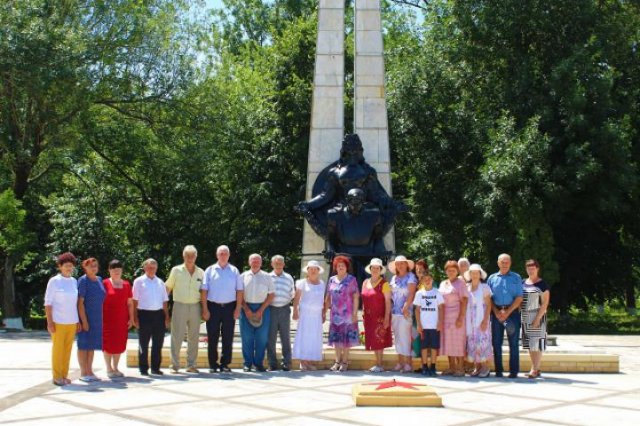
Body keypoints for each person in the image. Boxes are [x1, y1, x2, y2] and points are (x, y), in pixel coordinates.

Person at [201, 245, 243, 373]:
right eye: (221, 253)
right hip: (213, 307)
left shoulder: (234, 271)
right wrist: (205, 309)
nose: (223, 255)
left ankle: (225, 364)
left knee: (228, 337)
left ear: (229, 255)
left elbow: (240, 291)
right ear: (217, 255)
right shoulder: (209, 270)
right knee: (212, 337)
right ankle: (213, 364)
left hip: (230, 307)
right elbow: (204, 291)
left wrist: (237, 308)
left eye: (225, 253)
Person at [166, 245, 204, 374]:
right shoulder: (176, 270)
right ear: (183, 256)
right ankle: (174, 365)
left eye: (192, 255)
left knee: (194, 337)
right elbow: (168, 288)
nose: (190, 258)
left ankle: (191, 365)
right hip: (179, 305)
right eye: (187, 255)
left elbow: (204, 292)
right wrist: (164, 308)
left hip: (195, 306)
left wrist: (204, 308)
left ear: (196, 257)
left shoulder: (201, 272)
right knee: (177, 336)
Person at [45, 252, 81, 386]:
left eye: (71, 266)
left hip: (71, 321)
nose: (69, 268)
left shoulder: (74, 281)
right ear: (60, 266)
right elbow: (48, 303)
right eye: (66, 266)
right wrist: (50, 322)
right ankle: (56, 376)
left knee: (67, 350)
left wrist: (77, 320)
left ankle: (64, 375)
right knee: (58, 350)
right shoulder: (54, 281)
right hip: (58, 322)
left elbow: (75, 303)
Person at [487, 253, 523, 378]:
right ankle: (498, 371)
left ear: (510, 263)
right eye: (502, 262)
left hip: (512, 313)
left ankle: (513, 371)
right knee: (496, 343)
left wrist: (507, 312)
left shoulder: (516, 277)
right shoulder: (491, 278)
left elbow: (519, 297)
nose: (504, 264)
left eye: (507, 262)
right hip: (496, 314)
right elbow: (488, 298)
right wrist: (496, 312)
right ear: (498, 263)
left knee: (513, 343)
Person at [133, 258, 169, 376]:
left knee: (158, 343)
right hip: (144, 315)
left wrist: (166, 317)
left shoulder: (160, 282)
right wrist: (135, 317)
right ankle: (143, 368)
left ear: (156, 268)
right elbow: (134, 301)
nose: (151, 269)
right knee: (143, 343)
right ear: (144, 268)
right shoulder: (139, 281)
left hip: (158, 315)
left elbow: (164, 301)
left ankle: (155, 368)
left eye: (153, 267)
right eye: (149, 267)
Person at [240, 254, 275, 372]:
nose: (255, 263)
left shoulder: (267, 276)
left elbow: (271, 295)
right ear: (249, 262)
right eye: (253, 261)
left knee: (262, 338)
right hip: (246, 307)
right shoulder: (242, 276)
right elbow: (238, 295)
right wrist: (246, 309)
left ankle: (258, 363)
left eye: (257, 261)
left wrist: (261, 310)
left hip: (263, 307)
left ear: (261, 263)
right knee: (247, 337)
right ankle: (247, 363)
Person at [325, 255, 360, 372]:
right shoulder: (331, 279)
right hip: (335, 314)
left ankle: (344, 362)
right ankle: (336, 362)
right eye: (338, 266)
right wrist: (324, 311)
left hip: (348, 314)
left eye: (343, 266)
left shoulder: (351, 280)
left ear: (346, 267)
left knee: (346, 340)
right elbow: (328, 297)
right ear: (335, 267)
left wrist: (355, 313)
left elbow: (356, 297)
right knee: (336, 339)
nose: (340, 267)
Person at [292, 260, 327, 371]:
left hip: (316, 315)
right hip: (305, 315)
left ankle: (310, 361)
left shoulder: (322, 283)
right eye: (310, 269)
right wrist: (295, 311)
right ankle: (303, 362)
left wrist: (323, 312)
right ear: (307, 271)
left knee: (314, 337)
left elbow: (323, 299)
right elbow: (296, 298)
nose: (313, 271)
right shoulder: (302, 282)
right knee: (305, 337)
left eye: (315, 269)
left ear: (318, 271)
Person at [102, 259, 133, 379]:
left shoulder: (126, 284)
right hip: (107, 319)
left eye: (118, 269)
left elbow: (130, 303)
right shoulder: (104, 283)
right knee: (108, 344)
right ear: (109, 270)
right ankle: (108, 368)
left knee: (119, 343)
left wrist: (131, 318)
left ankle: (116, 367)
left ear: (122, 270)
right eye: (113, 269)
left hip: (121, 319)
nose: (116, 271)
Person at [77, 257, 106, 382]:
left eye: (95, 265)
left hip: (97, 318)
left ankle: (90, 371)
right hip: (86, 317)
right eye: (91, 266)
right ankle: (83, 372)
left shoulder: (99, 280)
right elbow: (80, 303)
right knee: (83, 345)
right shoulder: (83, 280)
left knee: (92, 345)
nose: (94, 268)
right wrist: (84, 321)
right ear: (85, 267)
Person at [439, 260, 469, 377]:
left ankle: (460, 368)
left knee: (458, 342)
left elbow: (465, 300)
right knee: (448, 342)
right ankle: (451, 367)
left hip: (457, 316)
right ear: (445, 271)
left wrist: (461, 317)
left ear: (457, 271)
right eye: (448, 270)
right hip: (445, 316)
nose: (451, 272)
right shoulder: (443, 283)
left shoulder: (461, 283)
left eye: (453, 270)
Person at [361, 258, 392, 372]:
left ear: (380, 270)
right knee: (373, 340)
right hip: (368, 316)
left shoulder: (385, 284)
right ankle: (377, 363)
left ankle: (380, 364)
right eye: (373, 267)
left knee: (379, 339)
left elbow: (388, 301)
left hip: (380, 316)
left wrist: (387, 318)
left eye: (377, 268)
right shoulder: (365, 282)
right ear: (370, 269)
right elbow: (363, 299)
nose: (375, 270)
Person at [413, 264, 444, 376]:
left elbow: (441, 308)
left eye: (429, 279)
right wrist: (419, 325)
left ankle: (433, 366)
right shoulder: (419, 293)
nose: (427, 281)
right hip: (424, 326)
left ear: (432, 280)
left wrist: (440, 322)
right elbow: (417, 310)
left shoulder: (437, 292)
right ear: (421, 281)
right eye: (425, 279)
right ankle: (425, 366)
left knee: (434, 347)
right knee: (424, 347)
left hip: (435, 325)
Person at [388, 255, 417, 373]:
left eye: (402, 263)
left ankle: (408, 363)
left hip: (406, 312)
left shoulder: (411, 276)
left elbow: (411, 293)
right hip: (395, 312)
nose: (400, 265)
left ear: (406, 265)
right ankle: (400, 362)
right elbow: (391, 295)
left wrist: (405, 307)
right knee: (398, 338)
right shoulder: (393, 278)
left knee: (406, 338)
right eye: (397, 263)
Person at [521, 259, 550, 379]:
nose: (531, 269)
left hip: (537, 316)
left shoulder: (542, 284)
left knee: (537, 344)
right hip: (525, 316)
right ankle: (535, 368)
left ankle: (535, 369)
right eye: (528, 267)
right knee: (530, 344)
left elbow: (545, 303)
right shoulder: (523, 282)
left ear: (537, 269)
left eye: (533, 267)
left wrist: (537, 318)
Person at [266, 255, 295, 372]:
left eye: (280, 263)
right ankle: (272, 363)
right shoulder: (267, 277)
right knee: (270, 338)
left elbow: (292, 293)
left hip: (284, 309)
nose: (278, 265)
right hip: (271, 309)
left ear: (283, 264)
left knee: (285, 337)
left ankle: (287, 363)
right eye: (276, 263)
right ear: (272, 264)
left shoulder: (289, 277)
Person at [465, 264, 493, 378]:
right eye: (472, 272)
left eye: (477, 273)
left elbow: (488, 305)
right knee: (472, 343)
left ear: (480, 274)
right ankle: (477, 367)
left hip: (481, 319)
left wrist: (485, 320)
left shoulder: (485, 287)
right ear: (470, 274)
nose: (475, 275)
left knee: (483, 343)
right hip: (470, 321)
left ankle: (485, 367)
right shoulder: (467, 287)